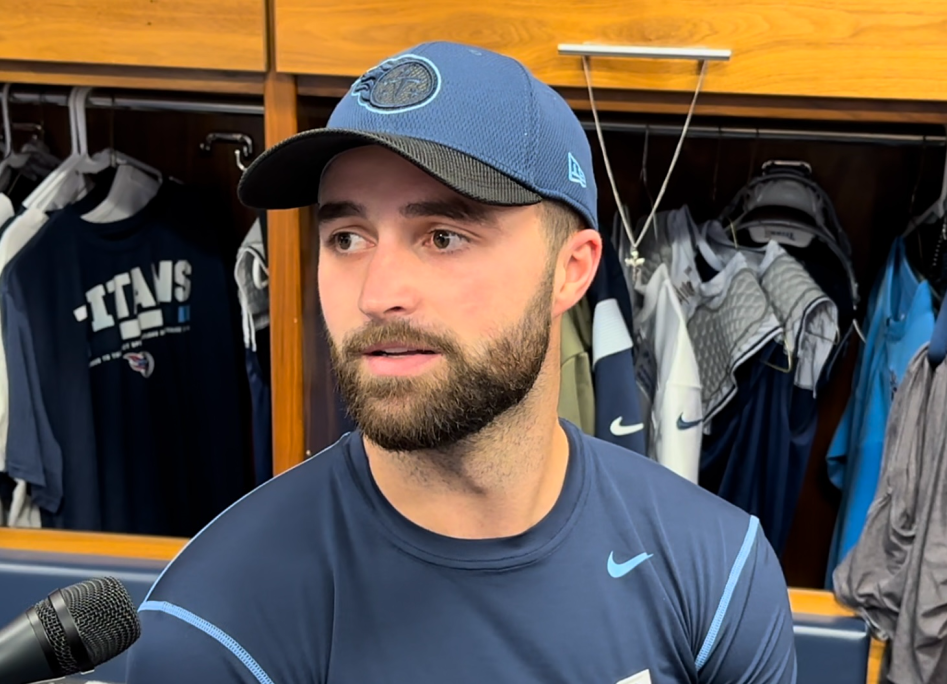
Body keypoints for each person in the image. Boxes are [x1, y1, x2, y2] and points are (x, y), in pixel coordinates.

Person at [125, 41, 798, 683]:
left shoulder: (716, 570)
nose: (377, 294)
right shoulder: (212, 627)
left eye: (444, 236)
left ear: (572, 271)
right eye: (348, 237)